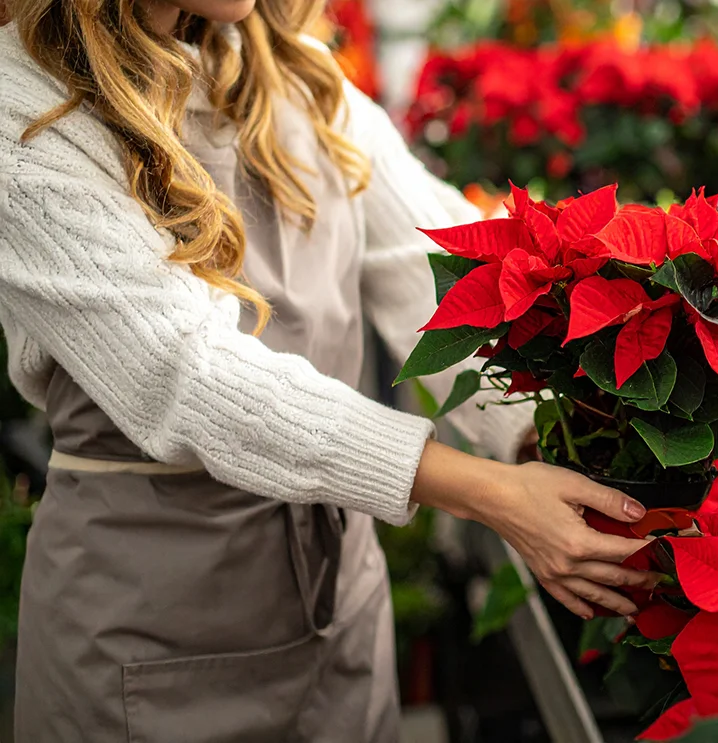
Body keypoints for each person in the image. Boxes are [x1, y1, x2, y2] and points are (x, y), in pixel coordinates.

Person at [0, 1, 657, 740]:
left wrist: (549, 442)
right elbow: (190, 376)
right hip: (151, 624)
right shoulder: (23, 113)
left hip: (336, 606)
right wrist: (494, 493)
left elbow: (432, 271)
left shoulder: (291, 72)